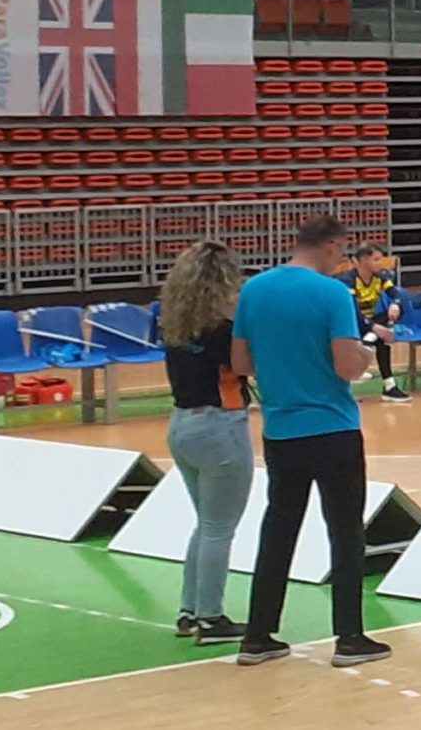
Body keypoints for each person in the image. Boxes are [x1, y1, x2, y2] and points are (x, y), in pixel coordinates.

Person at [229, 215, 387, 668]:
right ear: (334, 246)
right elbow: (346, 367)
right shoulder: (333, 293)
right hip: (333, 427)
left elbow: (241, 363)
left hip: (281, 430)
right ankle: (349, 638)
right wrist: (365, 355)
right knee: (345, 532)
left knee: (278, 530)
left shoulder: (254, 289)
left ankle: (258, 636)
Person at [161, 239, 251, 646]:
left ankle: (190, 609)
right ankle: (211, 618)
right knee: (219, 528)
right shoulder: (223, 331)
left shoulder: (176, 325)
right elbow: (247, 366)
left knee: (207, 523)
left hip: (182, 424)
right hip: (220, 425)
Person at [344, 243, 409, 403]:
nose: (380, 263)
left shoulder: (380, 277)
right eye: (376, 259)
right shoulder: (348, 280)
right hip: (350, 324)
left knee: (387, 322)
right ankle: (388, 386)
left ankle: (369, 343)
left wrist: (395, 304)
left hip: (371, 325)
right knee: (381, 335)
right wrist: (373, 327)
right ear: (363, 260)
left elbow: (397, 295)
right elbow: (352, 311)